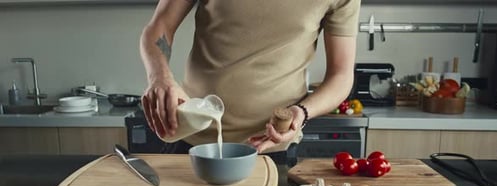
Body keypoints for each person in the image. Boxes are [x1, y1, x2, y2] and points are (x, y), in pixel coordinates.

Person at [140, 0, 360, 165]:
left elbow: (341, 76)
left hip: (272, 149)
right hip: (191, 138)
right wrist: (160, 76)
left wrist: (302, 112)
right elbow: (160, 25)